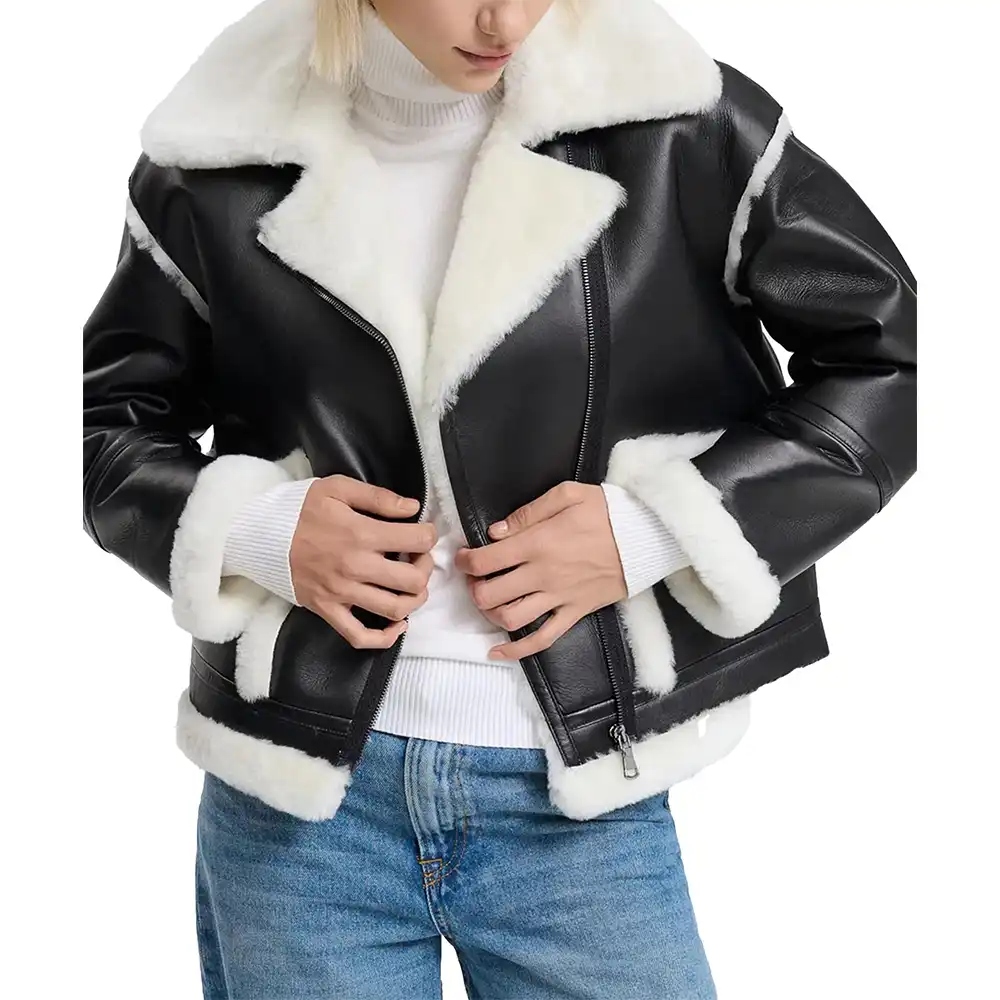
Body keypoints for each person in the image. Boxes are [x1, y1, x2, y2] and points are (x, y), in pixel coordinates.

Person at [81, 0, 917, 996]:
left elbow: (892, 364)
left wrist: (653, 529)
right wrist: (259, 531)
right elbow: (99, 424)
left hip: (580, 809)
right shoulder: (216, 149)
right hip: (298, 809)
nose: (505, 18)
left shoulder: (677, 120)